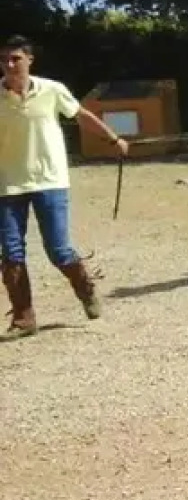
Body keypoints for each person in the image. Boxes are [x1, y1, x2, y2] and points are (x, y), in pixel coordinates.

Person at [1, 34, 128, 338]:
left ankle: (85, 289)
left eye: (15, 58)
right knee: (11, 253)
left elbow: (81, 115)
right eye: (3, 59)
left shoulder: (52, 90)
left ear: (30, 60)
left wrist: (113, 139)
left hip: (50, 180)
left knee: (58, 249)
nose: (8, 64)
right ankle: (23, 319)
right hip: (7, 184)